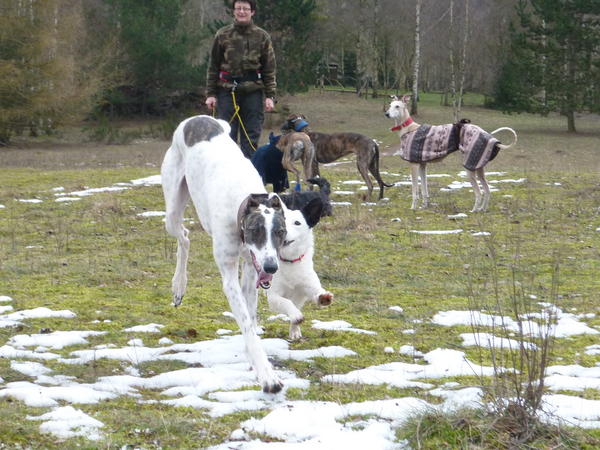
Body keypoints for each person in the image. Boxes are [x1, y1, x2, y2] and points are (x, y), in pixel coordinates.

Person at [205, 0, 276, 158]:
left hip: (253, 93)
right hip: (226, 91)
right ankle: (225, 177)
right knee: (224, 136)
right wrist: (211, 94)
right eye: (238, 8)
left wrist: (270, 96)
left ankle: (248, 176)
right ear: (233, 11)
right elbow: (213, 66)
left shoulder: (262, 36)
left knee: (251, 138)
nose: (242, 12)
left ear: (252, 12)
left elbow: (269, 68)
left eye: (245, 9)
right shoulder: (222, 35)